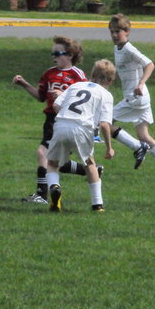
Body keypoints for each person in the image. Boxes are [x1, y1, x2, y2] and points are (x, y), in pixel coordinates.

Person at [13, 35, 100, 205]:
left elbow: (85, 100)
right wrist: (24, 84)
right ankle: (90, 171)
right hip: (51, 119)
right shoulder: (49, 74)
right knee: (56, 160)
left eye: (57, 53)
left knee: (43, 154)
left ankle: (42, 195)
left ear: (70, 55)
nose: (54, 57)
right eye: (52, 54)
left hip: (68, 119)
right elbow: (40, 96)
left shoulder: (78, 75)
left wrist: (63, 96)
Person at [108, 13, 155, 175]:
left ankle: (137, 147)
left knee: (103, 121)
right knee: (143, 135)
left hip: (136, 98)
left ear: (127, 31)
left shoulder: (129, 49)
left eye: (118, 31)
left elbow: (149, 64)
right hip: (140, 98)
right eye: (112, 32)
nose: (114, 35)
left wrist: (141, 83)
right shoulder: (117, 48)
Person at [46, 59, 116, 213]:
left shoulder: (76, 85)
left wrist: (66, 118)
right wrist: (109, 148)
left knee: (52, 164)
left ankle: (54, 187)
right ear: (110, 80)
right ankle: (97, 205)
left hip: (61, 124)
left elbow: (56, 105)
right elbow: (105, 124)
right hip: (82, 128)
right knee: (89, 164)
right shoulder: (106, 95)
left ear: (92, 74)